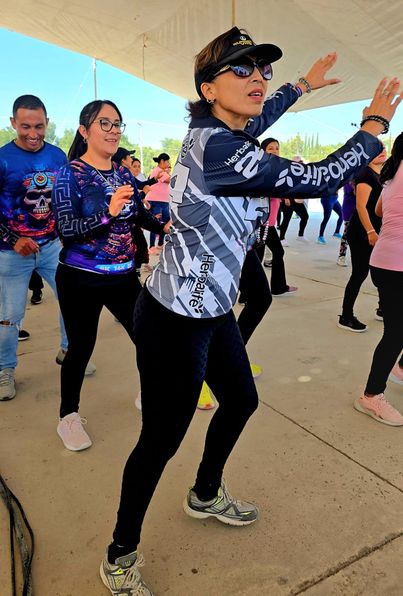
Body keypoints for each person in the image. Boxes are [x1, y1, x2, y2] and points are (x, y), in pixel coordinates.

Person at [101, 26, 402, 595]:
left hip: (212, 311)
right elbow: (314, 179)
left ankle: (205, 493)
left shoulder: (227, 131)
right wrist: (372, 129)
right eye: (241, 70)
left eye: (261, 69)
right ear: (208, 88)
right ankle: (120, 551)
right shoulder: (218, 147)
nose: (256, 78)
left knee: (240, 400)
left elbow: (262, 116)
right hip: (171, 319)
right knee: (160, 440)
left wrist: (301, 85)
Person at [52, 100, 170, 451]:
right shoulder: (69, 173)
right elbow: (66, 229)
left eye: (118, 123)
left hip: (123, 277)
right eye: (105, 123)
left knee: (147, 338)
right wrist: (107, 212)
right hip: (80, 277)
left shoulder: (121, 172)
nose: (114, 130)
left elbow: (136, 215)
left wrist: (164, 224)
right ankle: (68, 417)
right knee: (81, 348)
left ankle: (147, 395)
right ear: (84, 130)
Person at [0, 94, 69, 401]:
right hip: (11, 253)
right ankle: (5, 371)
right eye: (25, 126)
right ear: (13, 123)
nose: (32, 133)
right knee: (10, 315)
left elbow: (66, 198)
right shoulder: (3, 158)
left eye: (39, 126)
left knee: (71, 300)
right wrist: (14, 239)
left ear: (47, 123)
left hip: (52, 246)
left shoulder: (57, 156)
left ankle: (70, 351)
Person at [354, 133, 403, 425]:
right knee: (396, 332)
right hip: (395, 265)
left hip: (386, 261)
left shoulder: (391, 178)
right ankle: (371, 396)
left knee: (399, 327)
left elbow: (379, 210)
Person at [338, 147, 387, 332]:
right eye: (376, 150)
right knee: (359, 273)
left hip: (377, 231)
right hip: (362, 232)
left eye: (382, 148)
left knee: (380, 271)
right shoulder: (365, 174)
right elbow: (361, 206)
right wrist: (370, 231)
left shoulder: (382, 174)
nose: (381, 151)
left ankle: (383, 308)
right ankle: (346, 316)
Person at [256, 137, 298, 295]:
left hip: (269, 222)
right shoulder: (263, 169)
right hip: (264, 222)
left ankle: (249, 293)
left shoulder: (275, 169)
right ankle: (277, 287)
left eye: (277, 148)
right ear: (263, 151)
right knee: (276, 252)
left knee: (258, 256)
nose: (274, 151)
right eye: (270, 148)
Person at [146, 152, 171, 252]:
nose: (168, 163)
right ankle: (151, 246)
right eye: (167, 161)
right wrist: (168, 172)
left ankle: (160, 243)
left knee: (164, 223)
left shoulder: (162, 171)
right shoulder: (159, 171)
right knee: (156, 223)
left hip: (163, 201)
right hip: (156, 201)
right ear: (162, 161)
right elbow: (170, 180)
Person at [337, 182, 356, 266]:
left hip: (361, 209)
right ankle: (341, 256)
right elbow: (354, 192)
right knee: (347, 234)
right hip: (350, 210)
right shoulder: (349, 179)